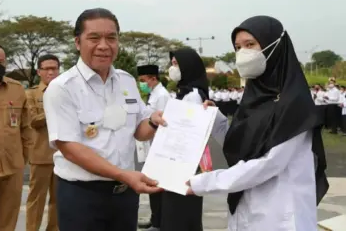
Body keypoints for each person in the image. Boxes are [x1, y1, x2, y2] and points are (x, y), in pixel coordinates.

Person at [186, 16, 329, 231]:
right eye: (238, 47)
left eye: (250, 44)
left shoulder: (294, 104)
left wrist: (203, 183)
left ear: (275, 46)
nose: (243, 53)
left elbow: (268, 163)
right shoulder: (253, 97)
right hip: (247, 210)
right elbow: (240, 145)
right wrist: (214, 119)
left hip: (280, 216)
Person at [43, 8, 165, 231]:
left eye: (111, 38)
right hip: (83, 196)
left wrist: (155, 121)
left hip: (125, 196)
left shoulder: (126, 81)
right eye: (94, 38)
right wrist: (123, 175)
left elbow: (139, 130)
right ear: (77, 42)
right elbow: (69, 147)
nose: (104, 45)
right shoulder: (62, 88)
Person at [160, 48, 209, 231]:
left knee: (179, 213)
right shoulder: (185, 91)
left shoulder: (193, 95)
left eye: (175, 64)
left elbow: (189, 131)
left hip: (183, 163)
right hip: (179, 161)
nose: (172, 68)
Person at [0, 43, 33, 231]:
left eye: (1, 62)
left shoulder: (16, 89)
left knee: (7, 222)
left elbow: (26, 128)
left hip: (12, 168)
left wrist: (22, 158)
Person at [26, 54, 60, 231]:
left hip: (63, 155)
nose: (51, 72)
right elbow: (33, 120)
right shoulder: (31, 93)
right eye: (47, 69)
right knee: (36, 200)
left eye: (54, 68)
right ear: (39, 72)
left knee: (58, 200)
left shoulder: (65, 92)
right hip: (40, 155)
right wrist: (54, 109)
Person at [136, 64, 170, 231]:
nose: (141, 84)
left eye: (143, 80)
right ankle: (155, 218)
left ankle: (159, 222)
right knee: (152, 183)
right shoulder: (153, 94)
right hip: (152, 144)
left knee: (157, 185)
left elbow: (164, 122)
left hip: (159, 146)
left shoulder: (161, 95)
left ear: (153, 79)